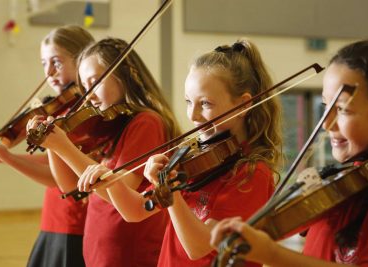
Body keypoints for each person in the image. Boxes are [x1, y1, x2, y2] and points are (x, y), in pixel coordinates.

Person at [75, 38, 283, 266]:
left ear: (244, 105)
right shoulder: (195, 161)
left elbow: (198, 247)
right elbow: (135, 210)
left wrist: (169, 191)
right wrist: (112, 181)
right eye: (188, 102)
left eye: (205, 104)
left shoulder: (251, 174)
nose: (192, 116)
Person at [210, 38, 368, 266]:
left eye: (342, 109)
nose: (326, 123)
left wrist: (271, 254)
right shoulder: (347, 182)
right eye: (325, 107)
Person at [27, 37, 181, 266]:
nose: (88, 95)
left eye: (95, 82)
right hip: (101, 250)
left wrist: (64, 146)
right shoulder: (110, 125)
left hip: (129, 252)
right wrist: (52, 144)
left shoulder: (147, 122)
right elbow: (70, 186)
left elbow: (119, 190)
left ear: (124, 76)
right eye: (85, 86)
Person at [0, 25, 94, 267]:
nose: (49, 72)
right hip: (54, 219)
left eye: (56, 62)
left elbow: (58, 176)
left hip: (75, 221)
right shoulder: (54, 109)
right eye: (44, 63)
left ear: (83, 59)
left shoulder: (85, 114)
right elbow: (10, 147)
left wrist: (8, 158)